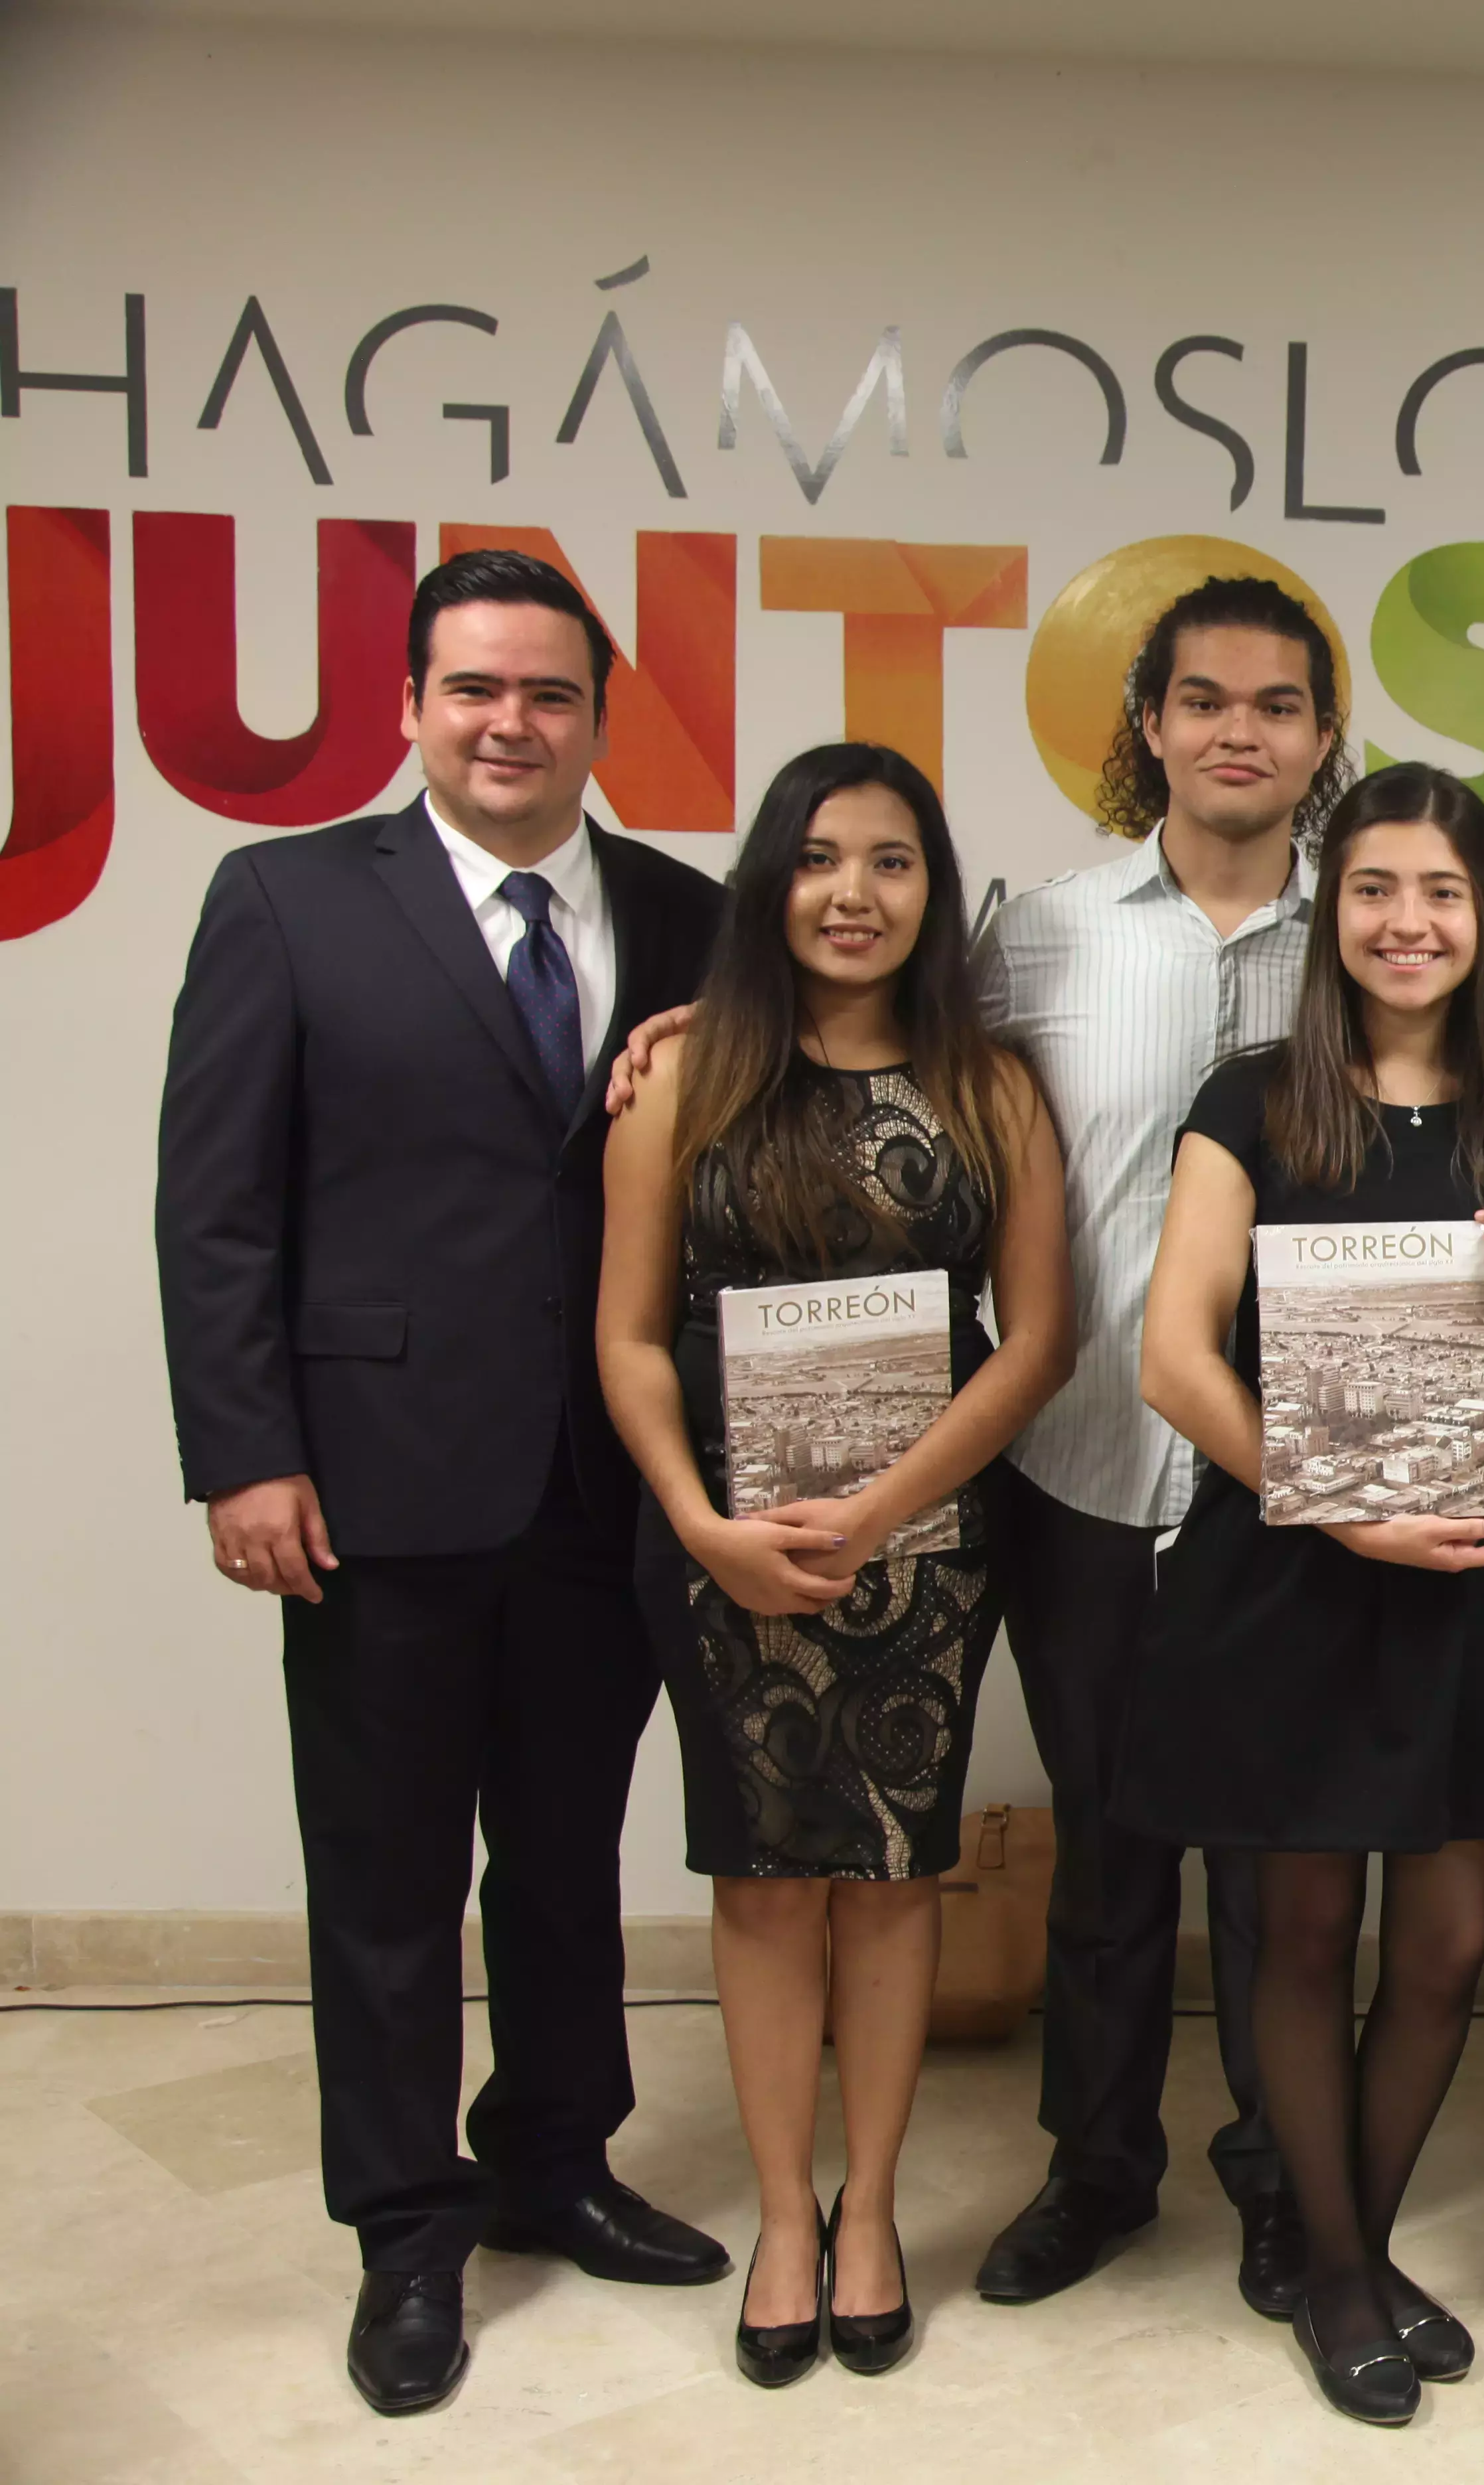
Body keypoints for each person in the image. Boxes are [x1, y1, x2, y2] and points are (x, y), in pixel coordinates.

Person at [613, 577, 1356, 2312]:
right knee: (1104, 1845)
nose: (1237, 730)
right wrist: (681, 1034)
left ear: (1323, 742)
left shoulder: (1380, 930)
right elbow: (869, 1050)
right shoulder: (1044, 937)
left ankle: (1269, 2177)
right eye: (1202, 700)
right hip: (1080, 1466)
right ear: (1151, 727)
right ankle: (1096, 2172)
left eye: (1276, 704)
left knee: (1275, 1862)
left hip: (1291, 1472)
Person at [155, 548, 731, 2416]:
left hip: (607, 1483)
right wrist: (246, 1454)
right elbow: (219, 1206)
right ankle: (408, 2232)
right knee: (390, 1882)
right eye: (474, 690)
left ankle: (558, 2160)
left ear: (595, 716)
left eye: (548, 694)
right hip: (375, 1488)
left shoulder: (688, 916)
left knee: (566, 1863)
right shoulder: (290, 900)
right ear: (412, 707)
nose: (510, 723)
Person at [596, 743, 1073, 2385]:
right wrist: (701, 1522)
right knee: (761, 1879)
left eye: (891, 861)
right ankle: (781, 2219)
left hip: (926, 1552)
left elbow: (1037, 1341)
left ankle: (868, 2209)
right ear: (767, 883)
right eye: (817, 859)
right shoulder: (682, 1078)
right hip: (723, 1546)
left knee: (888, 1873)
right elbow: (633, 1338)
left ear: (935, 892)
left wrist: (878, 1513)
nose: (852, 894)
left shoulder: (990, 1082)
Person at [1113, 765, 1484, 2425]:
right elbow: (1173, 1361)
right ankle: (1337, 2267)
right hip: (1289, 1572)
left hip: (1464, 1566)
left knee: (1448, 1947)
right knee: (1301, 1928)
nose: (1409, 923)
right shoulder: (1252, 1100)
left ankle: (1352, 2253)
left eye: (1443, 895)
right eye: (1377, 891)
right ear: (1337, 914)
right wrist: (1337, 1508)